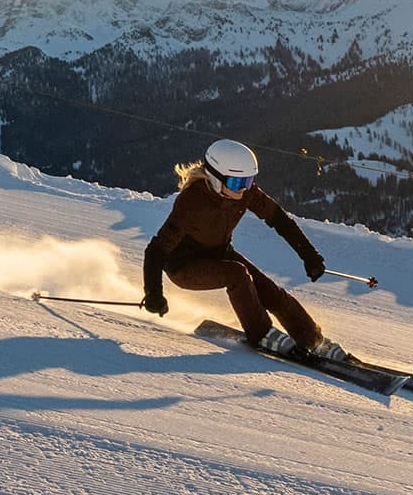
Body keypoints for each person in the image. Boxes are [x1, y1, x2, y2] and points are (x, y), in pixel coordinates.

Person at [141, 139, 340, 358]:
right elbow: (156, 250)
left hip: (219, 254)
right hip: (184, 266)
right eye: (237, 183)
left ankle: (312, 339)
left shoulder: (246, 193)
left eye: (249, 180)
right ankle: (261, 334)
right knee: (237, 274)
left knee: (270, 291)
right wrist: (153, 294)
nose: (244, 188)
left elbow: (280, 220)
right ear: (216, 179)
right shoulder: (192, 202)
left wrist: (309, 256)